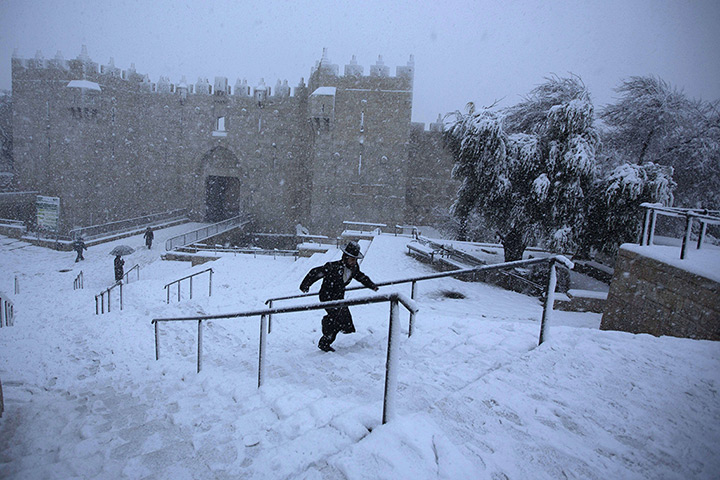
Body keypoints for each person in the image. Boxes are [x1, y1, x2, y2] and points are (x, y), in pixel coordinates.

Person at [300, 241, 379, 352]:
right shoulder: (332, 267)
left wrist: (372, 285)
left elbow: (361, 277)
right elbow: (315, 272)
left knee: (347, 325)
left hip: (339, 298)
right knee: (337, 320)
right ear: (345, 257)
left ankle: (329, 326)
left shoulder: (354, 268)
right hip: (327, 297)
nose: (354, 261)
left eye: (355, 259)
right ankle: (325, 339)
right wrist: (305, 285)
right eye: (352, 259)